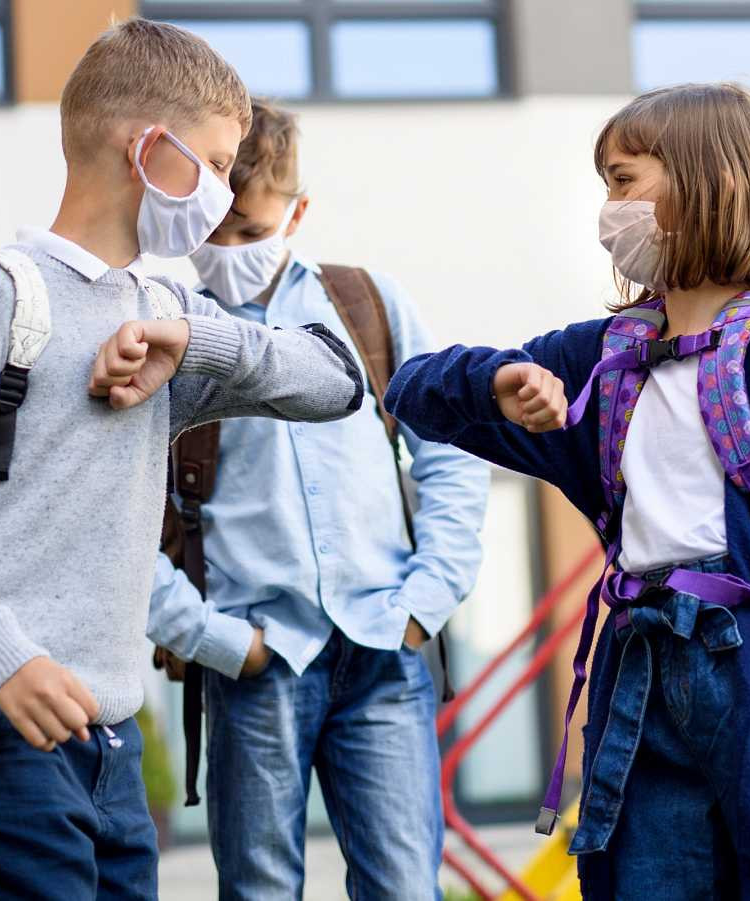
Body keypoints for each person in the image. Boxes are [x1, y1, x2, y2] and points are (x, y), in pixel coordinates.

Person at [382, 83, 750, 899]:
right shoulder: (598, 360)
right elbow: (412, 390)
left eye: (625, 180)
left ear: (713, 182)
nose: (609, 208)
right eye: (604, 184)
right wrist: (499, 380)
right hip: (640, 686)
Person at [0, 20, 363, 901]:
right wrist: (2, 655)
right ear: (146, 148)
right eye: (210, 162)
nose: (219, 190)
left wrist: (195, 336)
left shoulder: (168, 309)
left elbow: (336, 379)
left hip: (111, 732)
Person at [148, 98, 489, 900]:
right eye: (215, 233)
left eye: (253, 232)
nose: (230, 252)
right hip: (256, 656)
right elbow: (118, 514)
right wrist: (213, 638)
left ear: (298, 213)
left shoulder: (365, 303)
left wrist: (425, 598)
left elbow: (450, 449)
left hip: (383, 645)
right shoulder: (167, 325)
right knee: (261, 888)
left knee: (405, 886)